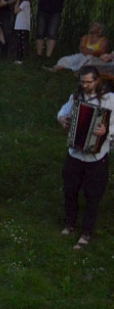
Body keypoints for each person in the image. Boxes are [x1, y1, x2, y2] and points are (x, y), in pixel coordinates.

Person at [57, 66, 114, 250]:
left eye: (88, 82)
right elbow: (62, 112)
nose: (85, 85)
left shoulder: (109, 99)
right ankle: (70, 224)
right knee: (70, 189)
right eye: (82, 82)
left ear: (97, 80)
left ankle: (86, 232)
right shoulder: (76, 97)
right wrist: (62, 120)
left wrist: (105, 131)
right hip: (75, 153)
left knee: (93, 195)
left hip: (96, 157)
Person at [13, 0, 32, 64]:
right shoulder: (26, 3)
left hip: (22, 26)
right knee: (19, 43)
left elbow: (16, 11)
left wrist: (17, 2)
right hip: (20, 26)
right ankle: (19, 58)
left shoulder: (25, 3)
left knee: (21, 43)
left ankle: (20, 59)